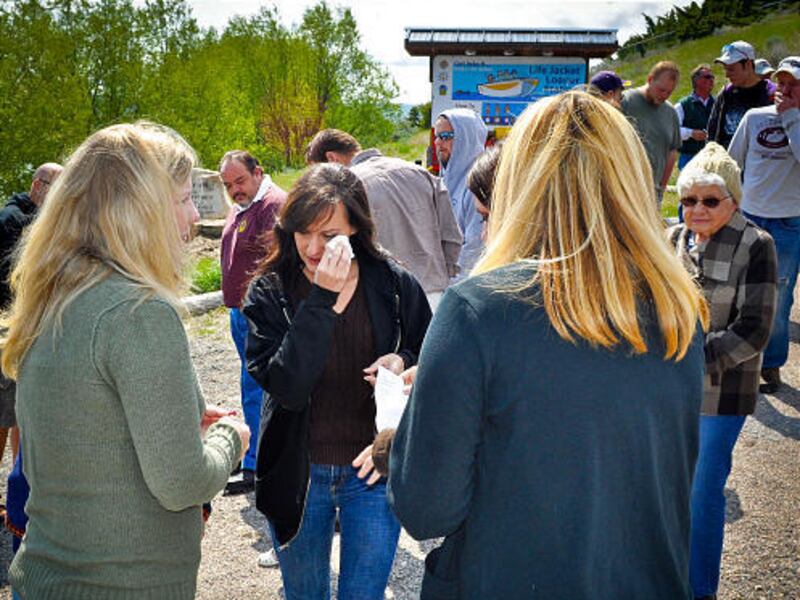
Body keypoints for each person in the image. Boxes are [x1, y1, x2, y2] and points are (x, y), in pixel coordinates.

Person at [388, 91, 708, 599]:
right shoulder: (678, 307)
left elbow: (426, 508)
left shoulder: (479, 310)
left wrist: (409, 419)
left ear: (520, 183)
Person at [0, 122, 250, 599]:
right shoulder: (139, 312)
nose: (194, 215)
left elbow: (83, 433)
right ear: (141, 211)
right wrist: (230, 438)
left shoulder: (52, 297)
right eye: (183, 199)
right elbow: (182, 483)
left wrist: (177, 419)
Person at [243, 163, 431, 600]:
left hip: (372, 469)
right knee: (305, 593)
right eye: (302, 232)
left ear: (356, 229)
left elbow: (430, 353)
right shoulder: (270, 291)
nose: (313, 247)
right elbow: (286, 386)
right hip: (299, 473)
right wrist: (323, 297)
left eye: (329, 235)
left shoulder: (393, 283)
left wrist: (402, 360)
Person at [667, 142, 777, 600]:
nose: (698, 209)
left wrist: (688, 359)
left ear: (733, 200)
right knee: (664, 489)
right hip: (667, 388)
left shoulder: (757, 244)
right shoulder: (671, 238)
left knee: (701, 491)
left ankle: (698, 591)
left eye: (710, 200)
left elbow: (754, 330)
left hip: (720, 392)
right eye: (688, 199)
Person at [305, 128, 462, 310]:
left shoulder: (346, 188)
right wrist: (442, 276)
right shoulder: (419, 172)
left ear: (332, 158)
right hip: (434, 292)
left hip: (384, 299)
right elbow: (452, 236)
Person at [728, 56, 800, 393]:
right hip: (749, 216)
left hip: (788, 221)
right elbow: (732, 161)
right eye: (781, 83)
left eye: (793, 85)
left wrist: (791, 118)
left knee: (779, 297)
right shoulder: (754, 117)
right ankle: (736, 356)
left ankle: (771, 363)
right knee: (737, 289)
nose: (784, 90)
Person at [219, 150, 286, 494]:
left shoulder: (272, 205)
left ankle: (257, 465)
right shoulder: (243, 206)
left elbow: (280, 262)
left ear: (258, 172)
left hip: (261, 314)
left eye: (240, 181)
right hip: (242, 312)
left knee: (258, 387)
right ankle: (255, 457)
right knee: (252, 386)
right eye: (228, 185)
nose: (235, 190)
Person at [0, 163, 62, 475]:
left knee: (21, 413)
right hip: (7, 328)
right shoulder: (11, 219)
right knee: (4, 413)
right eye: (56, 187)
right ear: (38, 186)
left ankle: (20, 482)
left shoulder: (40, 219)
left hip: (29, 326)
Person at [434, 108, 488, 277]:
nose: (438, 143)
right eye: (437, 136)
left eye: (445, 136)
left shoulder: (479, 184)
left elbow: (474, 251)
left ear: (467, 139)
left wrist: (450, 287)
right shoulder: (446, 180)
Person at [621, 61, 682, 205]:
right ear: (650, 79)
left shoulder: (670, 112)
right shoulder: (625, 101)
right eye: (661, 90)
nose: (664, 95)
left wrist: (661, 187)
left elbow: (672, 151)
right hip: (624, 190)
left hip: (652, 193)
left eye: (669, 92)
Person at [707, 41, 772, 149]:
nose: (727, 75)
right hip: (727, 158)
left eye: (731, 69)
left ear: (748, 64)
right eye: (725, 69)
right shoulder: (726, 93)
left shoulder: (770, 93)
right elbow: (712, 132)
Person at [675, 65, 716, 170]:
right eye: (707, 77)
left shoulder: (718, 103)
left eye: (712, 77)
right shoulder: (682, 105)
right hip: (690, 158)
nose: (711, 80)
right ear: (696, 80)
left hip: (714, 157)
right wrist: (691, 133)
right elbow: (673, 131)